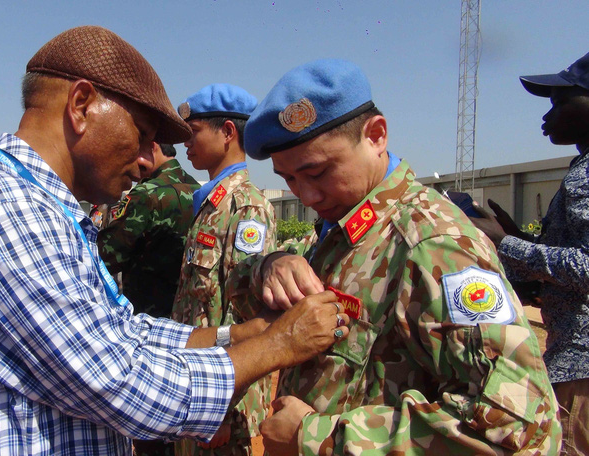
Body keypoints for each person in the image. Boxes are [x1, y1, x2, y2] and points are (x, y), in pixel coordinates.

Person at [0, 26, 354, 456]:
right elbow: (118, 381)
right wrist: (277, 345)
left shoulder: (42, 211)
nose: (146, 161)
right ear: (80, 104)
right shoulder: (5, 212)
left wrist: (240, 334)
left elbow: (124, 332)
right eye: (141, 136)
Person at [225, 59, 562, 455]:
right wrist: (271, 265)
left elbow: (520, 428)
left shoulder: (434, 244)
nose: (307, 196)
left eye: (317, 173)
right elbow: (247, 292)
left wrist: (316, 437)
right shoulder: (345, 227)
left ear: (376, 135)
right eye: (290, 180)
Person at [470, 52, 589, 456]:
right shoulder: (581, 168)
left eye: (559, 101)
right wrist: (519, 239)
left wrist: (504, 244)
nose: (548, 114)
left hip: (581, 368)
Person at [171, 84, 277, 456]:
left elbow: (247, 314)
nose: (186, 144)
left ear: (228, 131)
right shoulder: (211, 204)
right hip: (196, 391)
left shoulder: (246, 206)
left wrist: (222, 406)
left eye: (194, 132)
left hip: (222, 408)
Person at [98, 142, 200, 319]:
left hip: (146, 313)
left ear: (152, 147)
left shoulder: (145, 193)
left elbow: (108, 256)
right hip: (188, 311)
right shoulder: (199, 189)